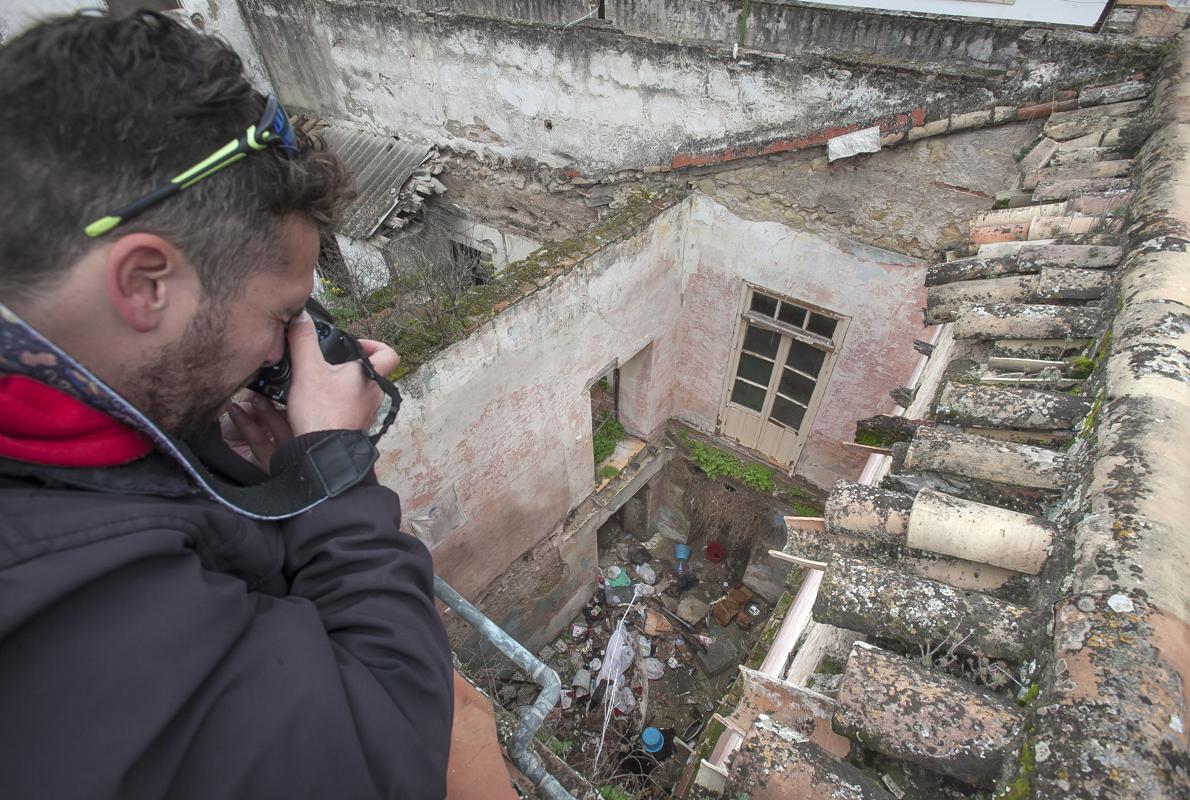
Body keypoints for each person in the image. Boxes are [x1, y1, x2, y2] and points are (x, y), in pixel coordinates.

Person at [0, 10, 455, 799]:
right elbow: (387, 745)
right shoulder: (53, 600)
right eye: (284, 316)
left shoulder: (70, 427)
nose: (285, 352)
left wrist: (244, 468)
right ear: (146, 282)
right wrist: (333, 476)